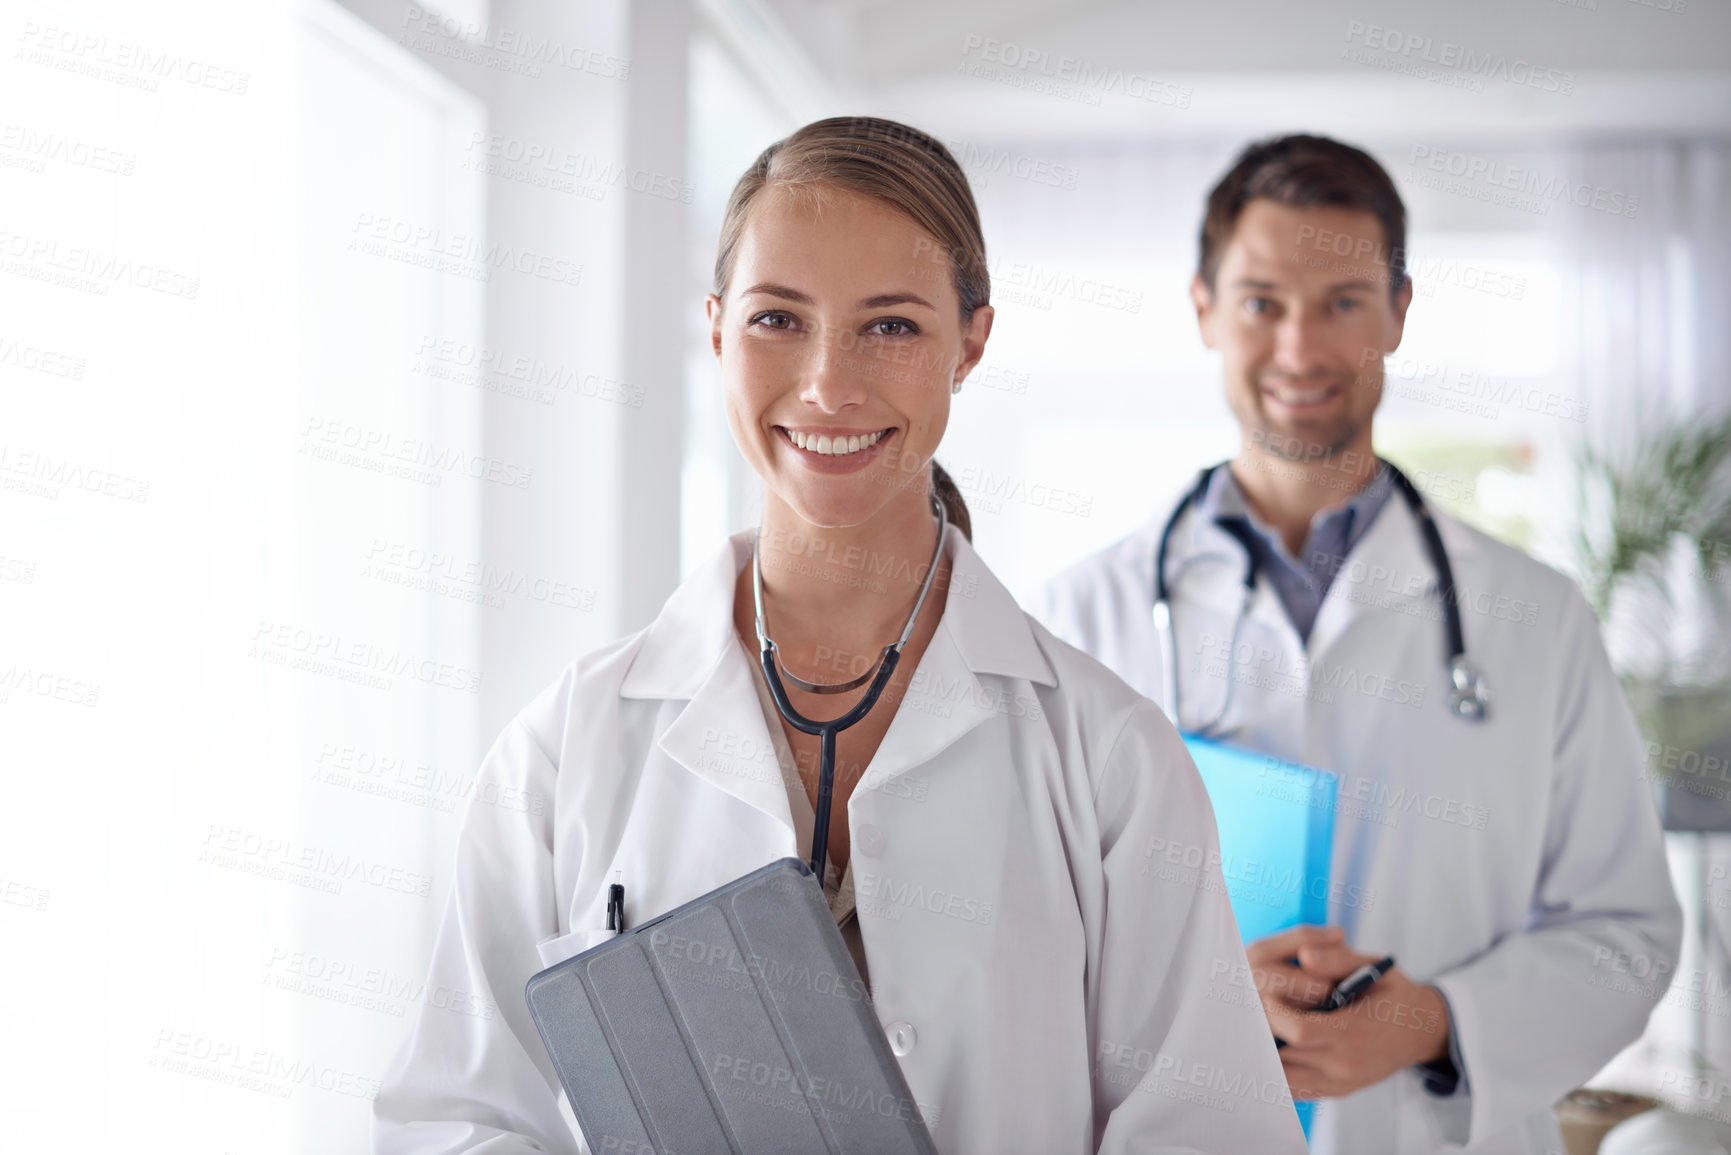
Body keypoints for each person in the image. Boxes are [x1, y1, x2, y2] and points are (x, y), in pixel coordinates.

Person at [371, 117, 1307, 1155]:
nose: (827, 384)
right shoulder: (566, 749)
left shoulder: (1109, 758)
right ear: (718, 328)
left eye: (892, 326)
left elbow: (1214, 1133)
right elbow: (451, 1118)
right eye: (780, 318)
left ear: (972, 343)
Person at [1033, 133, 1683, 1154]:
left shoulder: (1535, 616)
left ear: (1398, 312)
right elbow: (1021, 940)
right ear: (1202, 309)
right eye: (1262, 303)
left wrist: (1434, 1022)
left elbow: (1628, 934)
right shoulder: (1080, 616)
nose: (1300, 349)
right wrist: (1195, 1006)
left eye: (1342, 301)